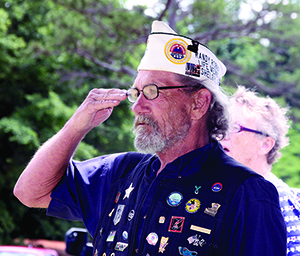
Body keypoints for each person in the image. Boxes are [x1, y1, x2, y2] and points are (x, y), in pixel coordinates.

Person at [14, 21, 286, 255]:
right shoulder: (119, 173)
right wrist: (75, 127)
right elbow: (30, 192)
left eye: (153, 91)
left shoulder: (247, 192)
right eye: (136, 92)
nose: (137, 106)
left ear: (198, 104)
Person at [221, 85, 300, 256]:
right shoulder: (222, 190)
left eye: (235, 128)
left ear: (265, 144)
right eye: (221, 126)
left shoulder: (278, 198)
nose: (222, 135)